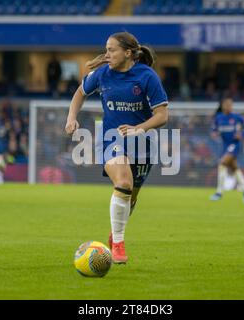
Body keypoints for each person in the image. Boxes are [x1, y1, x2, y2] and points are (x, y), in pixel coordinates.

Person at [65, 32, 168, 264]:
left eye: (112, 50)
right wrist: (72, 117)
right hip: (112, 138)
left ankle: (115, 234)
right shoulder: (101, 74)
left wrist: (138, 128)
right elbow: (80, 93)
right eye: (107, 49)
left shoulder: (147, 77)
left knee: (129, 199)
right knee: (123, 182)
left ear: (128, 53)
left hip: (142, 143)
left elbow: (162, 116)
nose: (107, 54)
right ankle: (119, 245)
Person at [210, 96, 244, 203]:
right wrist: (214, 133)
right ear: (223, 106)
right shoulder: (219, 118)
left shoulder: (237, 117)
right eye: (227, 104)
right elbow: (213, 129)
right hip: (225, 147)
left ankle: (219, 192)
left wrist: (241, 134)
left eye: (231, 105)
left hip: (234, 145)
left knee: (222, 163)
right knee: (234, 168)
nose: (229, 106)